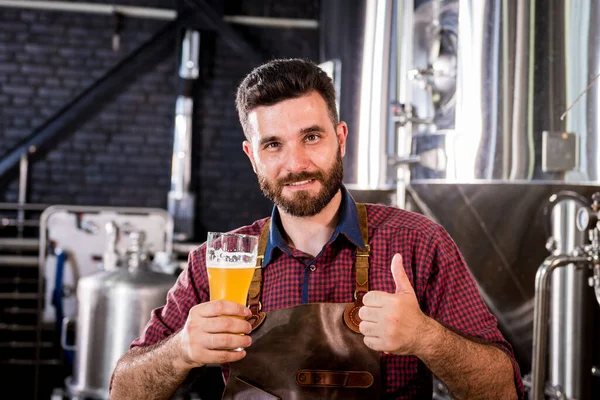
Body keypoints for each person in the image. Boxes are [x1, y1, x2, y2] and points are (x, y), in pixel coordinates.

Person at [110, 58, 524, 399]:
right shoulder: (217, 261)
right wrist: (181, 350)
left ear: (340, 138)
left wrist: (426, 338)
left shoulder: (416, 243)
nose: (296, 164)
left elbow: (505, 390)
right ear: (252, 156)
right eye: (273, 144)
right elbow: (122, 391)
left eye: (311, 137)